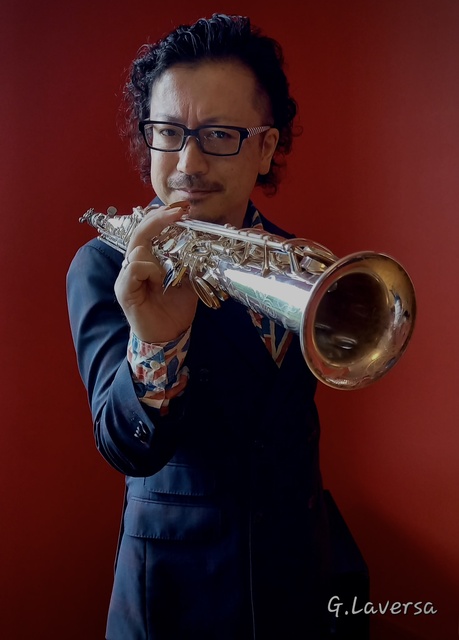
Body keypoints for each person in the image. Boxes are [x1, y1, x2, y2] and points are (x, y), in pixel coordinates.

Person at [67, 13, 358, 640]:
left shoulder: (300, 265)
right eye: (168, 132)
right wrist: (158, 342)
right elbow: (124, 446)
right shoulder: (105, 265)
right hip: (174, 596)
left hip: (302, 582)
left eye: (220, 134)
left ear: (266, 148)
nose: (187, 162)